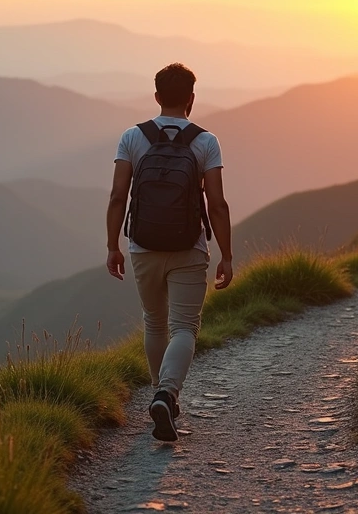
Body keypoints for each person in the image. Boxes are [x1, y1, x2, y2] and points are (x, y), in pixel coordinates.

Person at [105, 62, 234, 442]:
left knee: (154, 321)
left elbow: (117, 196)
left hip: (142, 245)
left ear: (157, 96)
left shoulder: (132, 137)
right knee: (184, 327)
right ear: (192, 99)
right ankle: (166, 394)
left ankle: (163, 397)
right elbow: (218, 204)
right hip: (188, 246)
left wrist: (112, 245)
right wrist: (226, 254)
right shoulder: (206, 142)